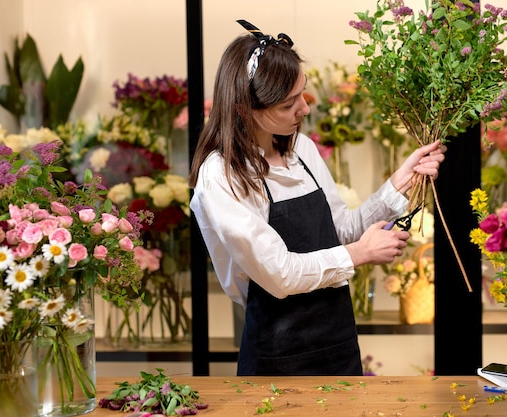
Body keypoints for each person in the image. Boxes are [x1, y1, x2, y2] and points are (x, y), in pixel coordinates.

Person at [188, 19, 447, 376]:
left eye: (303, 94)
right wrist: (361, 254)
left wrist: (399, 183)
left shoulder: (303, 151)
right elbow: (278, 275)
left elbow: (340, 231)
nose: (305, 110)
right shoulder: (222, 175)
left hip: (338, 343)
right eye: (288, 104)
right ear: (244, 108)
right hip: (276, 356)